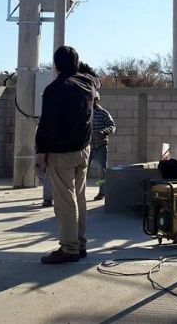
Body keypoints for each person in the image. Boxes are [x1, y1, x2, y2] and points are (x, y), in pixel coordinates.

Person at [36, 46, 97, 264]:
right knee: (79, 198)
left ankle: (69, 248)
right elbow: (94, 76)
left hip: (61, 152)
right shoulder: (88, 84)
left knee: (65, 202)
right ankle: (79, 243)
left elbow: (48, 124)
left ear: (56, 65)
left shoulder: (55, 88)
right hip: (83, 149)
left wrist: (41, 152)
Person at [90, 91, 115, 201]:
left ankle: (102, 192)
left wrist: (104, 132)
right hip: (88, 147)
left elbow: (112, 126)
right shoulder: (86, 112)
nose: (92, 102)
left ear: (97, 100)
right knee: (82, 171)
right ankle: (79, 193)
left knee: (102, 172)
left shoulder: (103, 113)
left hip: (100, 146)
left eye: (94, 99)